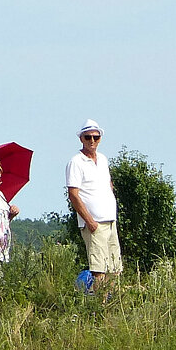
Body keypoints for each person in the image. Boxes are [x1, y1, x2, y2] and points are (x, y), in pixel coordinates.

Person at [66, 119, 122, 288]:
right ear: (81, 139)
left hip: (110, 221)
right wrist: (90, 221)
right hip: (95, 223)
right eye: (88, 137)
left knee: (115, 268)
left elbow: (108, 183)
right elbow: (73, 194)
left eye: (96, 137)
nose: (92, 141)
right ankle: (100, 307)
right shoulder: (76, 162)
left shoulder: (103, 159)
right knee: (99, 270)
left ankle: (111, 303)